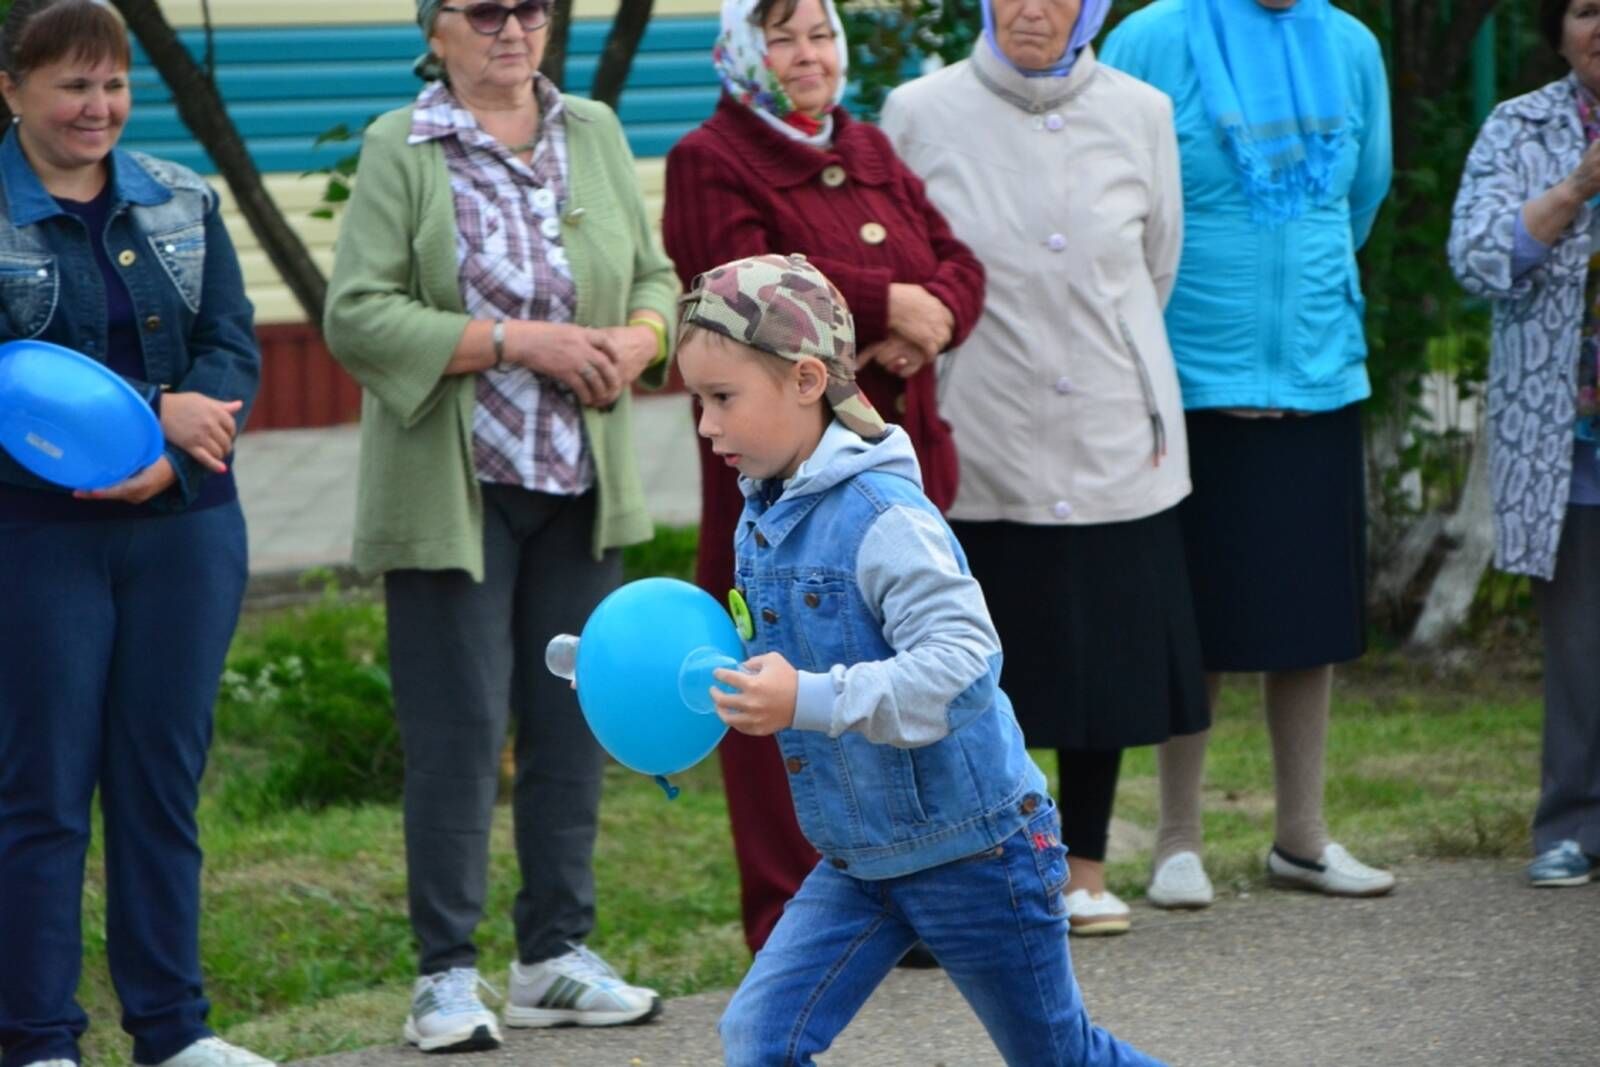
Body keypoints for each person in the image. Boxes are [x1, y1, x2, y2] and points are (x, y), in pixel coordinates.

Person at [675, 252, 1165, 1067]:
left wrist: (806, 698)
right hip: (859, 858)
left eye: (722, 398)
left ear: (804, 382)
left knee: (1060, 1057)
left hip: (977, 852)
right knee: (758, 1038)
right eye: (698, 400)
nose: (705, 425)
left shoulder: (884, 516)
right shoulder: (762, 512)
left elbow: (964, 665)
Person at [322, 0, 677, 1051]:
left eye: (531, 8)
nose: (513, 28)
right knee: (459, 734)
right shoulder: (403, 144)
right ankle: (443, 975)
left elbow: (654, 273)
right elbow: (357, 313)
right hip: (455, 490)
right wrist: (523, 340)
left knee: (574, 718)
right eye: (485, 11)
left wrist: (639, 336)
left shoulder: (596, 130)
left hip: (581, 480)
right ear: (436, 29)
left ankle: (555, 956)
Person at [661, 0, 985, 959]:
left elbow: (960, 263)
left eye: (822, 36)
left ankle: (907, 898)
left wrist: (935, 313)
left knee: (887, 670)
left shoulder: (870, 146)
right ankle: (790, 920)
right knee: (776, 679)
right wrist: (897, 300)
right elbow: (736, 284)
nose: (808, 57)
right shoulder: (710, 157)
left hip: (888, 458)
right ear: (741, 52)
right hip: (777, 476)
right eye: (783, 38)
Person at [881, 0, 1208, 937]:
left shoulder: (1142, 111)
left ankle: (1087, 870)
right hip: (980, 419)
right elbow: (913, 257)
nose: (1035, 9)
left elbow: (1157, 265)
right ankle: (992, 867)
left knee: (1104, 654)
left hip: (1111, 418)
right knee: (987, 650)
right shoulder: (920, 109)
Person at [0, 1, 267, 1065]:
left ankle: (173, 1029)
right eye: (72, 85)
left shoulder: (179, 195)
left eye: (111, 84)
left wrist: (178, 442)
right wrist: (153, 413)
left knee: (160, 785)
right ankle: (36, 1037)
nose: (97, 106)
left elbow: (231, 341)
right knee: (44, 791)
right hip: (35, 534)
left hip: (187, 523)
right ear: (12, 88)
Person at [1100, 0, 1396, 904]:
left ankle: (1301, 838)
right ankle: (1176, 843)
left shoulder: (1352, 46)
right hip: (1190, 377)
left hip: (1315, 372)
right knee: (1192, 622)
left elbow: (1365, 193)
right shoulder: (1150, 37)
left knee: (1311, 620)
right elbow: (1120, 194)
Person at [1447, 0, 1600, 887]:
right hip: (1564, 440)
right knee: (1580, 646)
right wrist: (1574, 189)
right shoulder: (1520, 126)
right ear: (1558, 29)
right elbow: (1474, 259)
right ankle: (1569, 826)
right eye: (1584, 8)